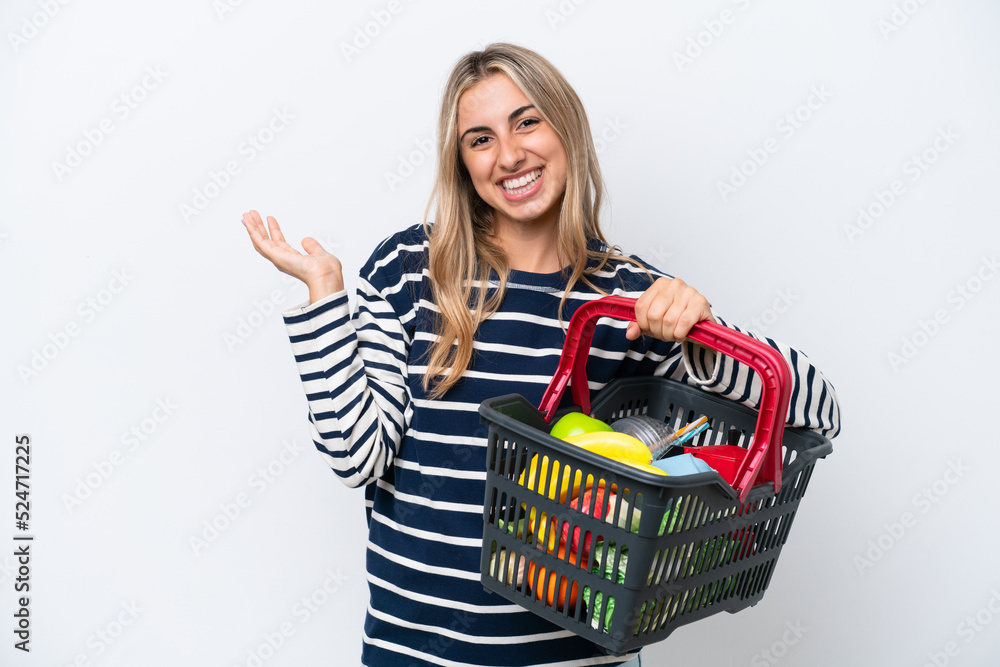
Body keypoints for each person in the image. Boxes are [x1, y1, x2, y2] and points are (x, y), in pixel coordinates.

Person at [241, 43, 841, 667]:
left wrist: (701, 335)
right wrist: (325, 301)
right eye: (480, 138)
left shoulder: (630, 301)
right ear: (461, 163)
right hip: (413, 653)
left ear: (567, 127)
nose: (508, 155)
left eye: (527, 121)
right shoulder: (411, 271)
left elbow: (819, 414)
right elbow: (355, 458)